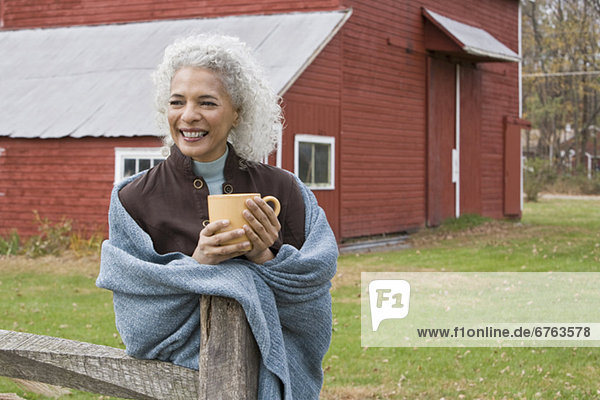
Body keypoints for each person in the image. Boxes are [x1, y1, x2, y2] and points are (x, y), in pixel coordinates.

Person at [96, 34, 338, 400]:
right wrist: (199, 264)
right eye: (177, 102)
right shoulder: (133, 200)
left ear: (237, 111)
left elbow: (313, 309)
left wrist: (265, 257)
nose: (188, 116)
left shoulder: (287, 191)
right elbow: (138, 328)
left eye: (207, 102)